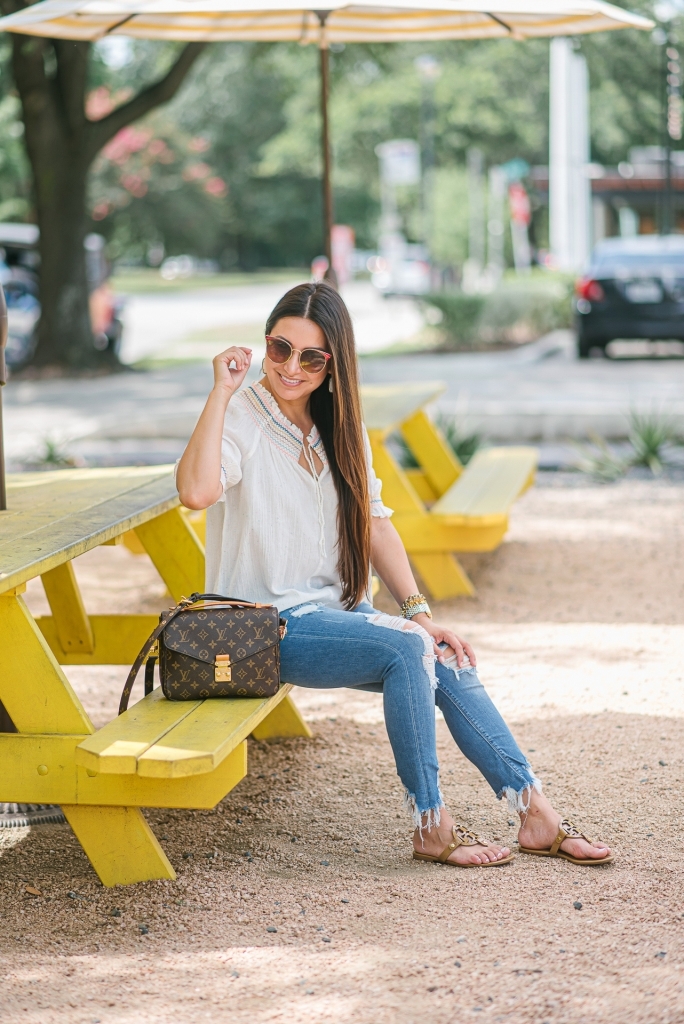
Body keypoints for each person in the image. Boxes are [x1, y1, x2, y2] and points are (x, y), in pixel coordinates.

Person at [176, 282, 613, 868]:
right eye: (280, 349)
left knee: (443, 654)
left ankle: (536, 813)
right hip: (265, 627)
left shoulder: (341, 426)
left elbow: (375, 523)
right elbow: (196, 491)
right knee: (407, 648)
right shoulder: (239, 419)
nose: (291, 368)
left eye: (312, 357)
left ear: (334, 364)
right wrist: (220, 392)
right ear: (265, 344)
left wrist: (420, 614)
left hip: (338, 611)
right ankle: (430, 825)